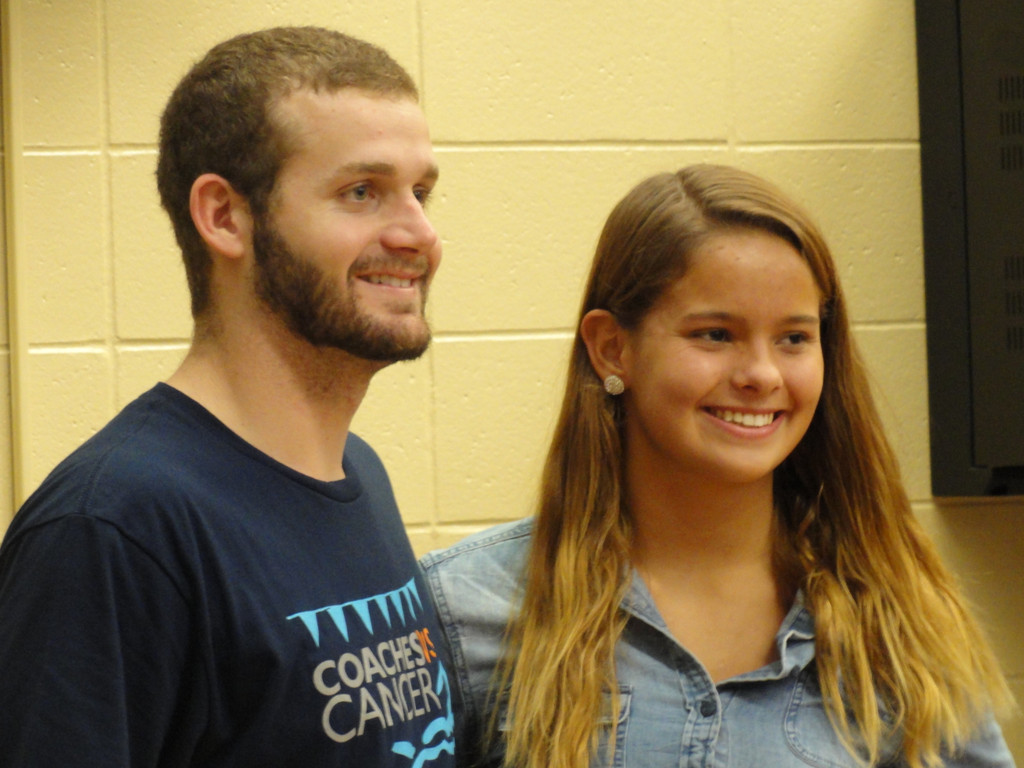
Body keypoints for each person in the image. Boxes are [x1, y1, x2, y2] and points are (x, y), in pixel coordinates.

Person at [421, 164, 1016, 768]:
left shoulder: (895, 609)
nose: (761, 374)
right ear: (611, 348)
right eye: (714, 334)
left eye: (793, 339)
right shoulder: (465, 610)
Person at [0, 27, 454, 767]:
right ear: (224, 216)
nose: (420, 234)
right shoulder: (112, 528)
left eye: (422, 191)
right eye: (362, 192)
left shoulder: (358, 473)